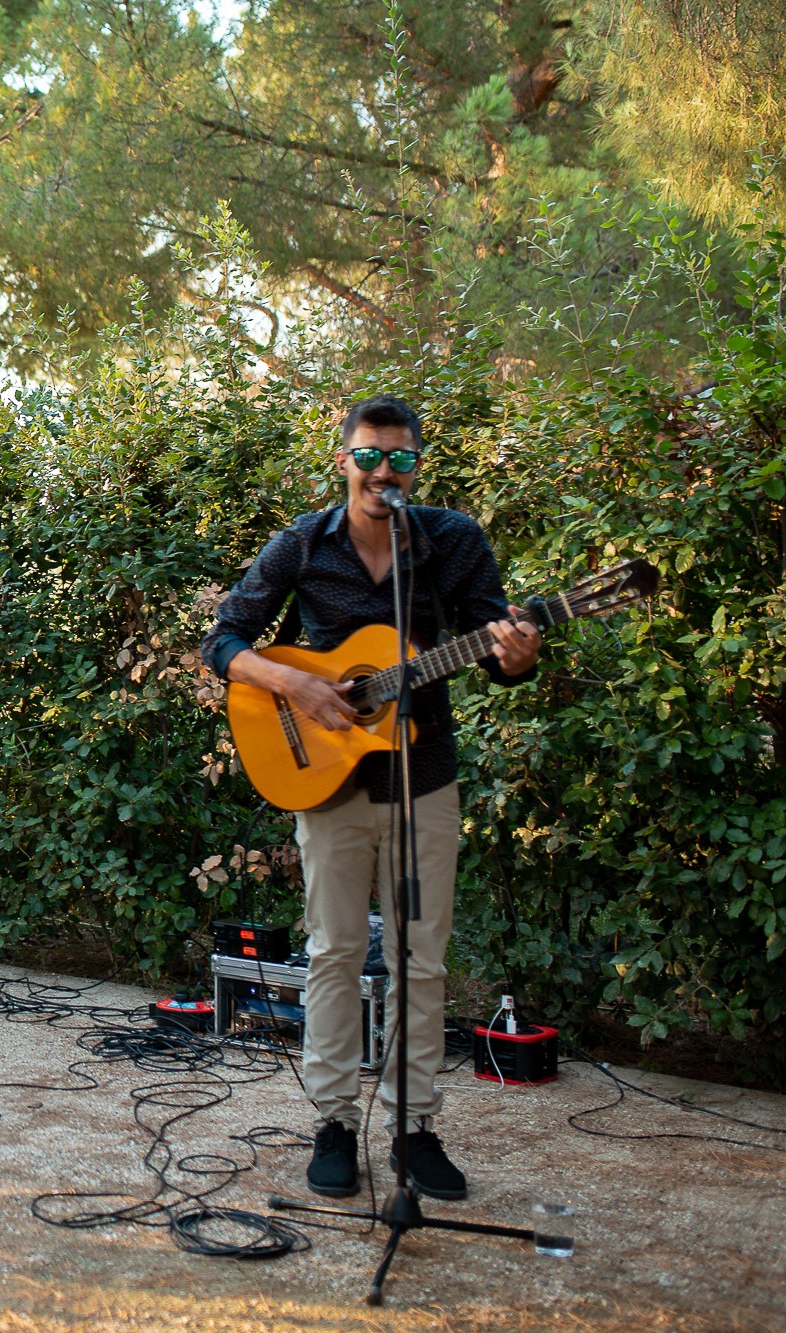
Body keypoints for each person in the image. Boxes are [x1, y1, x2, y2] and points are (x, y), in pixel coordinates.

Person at [199, 395, 540, 1201]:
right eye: (369, 455)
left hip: (424, 780)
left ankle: (414, 1127)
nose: (384, 470)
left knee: (422, 959)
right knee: (334, 952)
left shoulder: (453, 541)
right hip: (326, 779)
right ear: (343, 459)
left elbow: (497, 654)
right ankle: (334, 1123)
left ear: (417, 465)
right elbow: (224, 639)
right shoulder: (302, 543)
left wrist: (520, 653)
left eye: (400, 458)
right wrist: (296, 684)